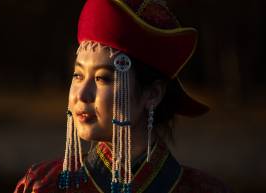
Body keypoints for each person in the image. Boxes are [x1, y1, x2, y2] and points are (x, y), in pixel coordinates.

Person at [14, 0, 231, 192]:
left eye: (102, 78)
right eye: (78, 75)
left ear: (153, 94)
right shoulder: (41, 185)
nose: (81, 94)